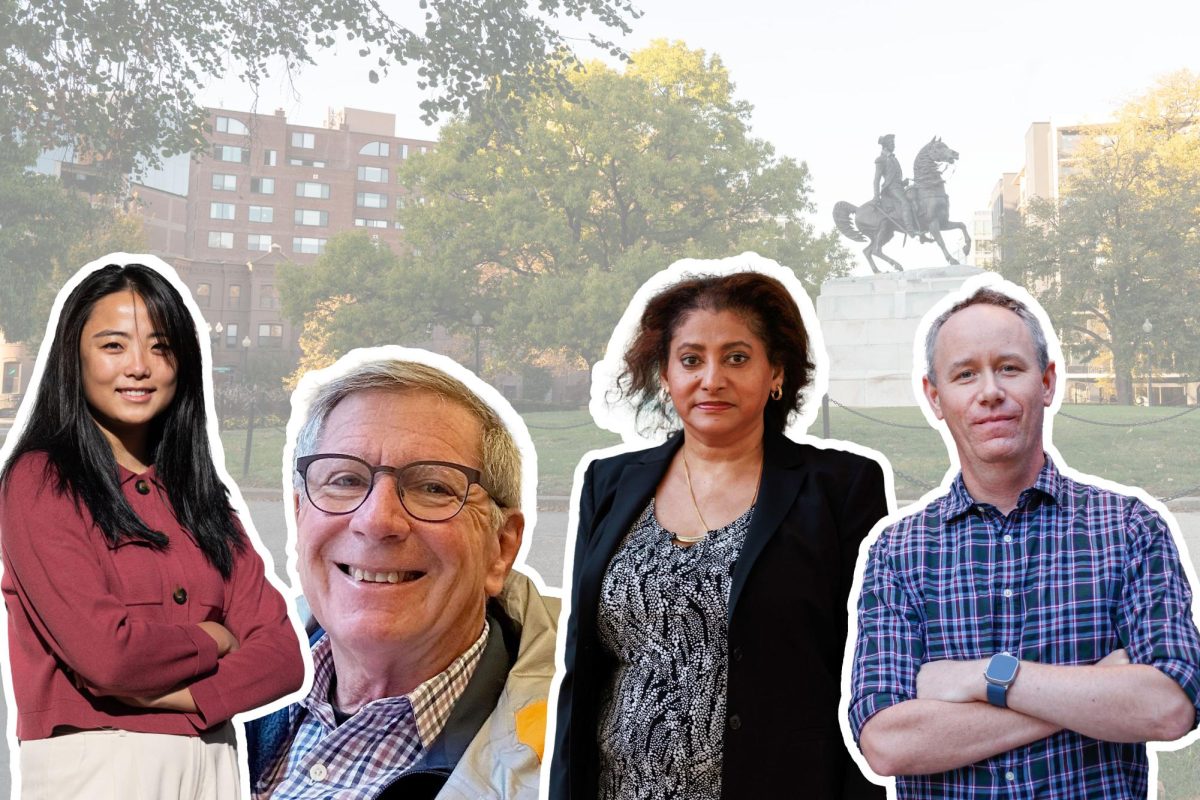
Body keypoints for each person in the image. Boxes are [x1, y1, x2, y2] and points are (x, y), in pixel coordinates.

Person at [848, 283, 1200, 797]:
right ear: (935, 398)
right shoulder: (899, 555)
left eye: (1009, 367)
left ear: (1048, 381)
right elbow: (887, 742)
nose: (989, 390)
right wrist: (1092, 691)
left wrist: (983, 679)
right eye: (965, 374)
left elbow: (1170, 705)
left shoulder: (1130, 529)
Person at [552, 270, 890, 799]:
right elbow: (584, 667)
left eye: (736, 358)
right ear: (665, 374)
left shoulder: (841, 488)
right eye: (691, 360)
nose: (711, 379)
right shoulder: (609, 484)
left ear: (776, 371)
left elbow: (865, 667)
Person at [0, 262, 304, 800]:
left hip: (215, 762)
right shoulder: (40, 482)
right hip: (97, 763)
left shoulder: (201, 498)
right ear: (74, 357)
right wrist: (215, 638)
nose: (139, 367)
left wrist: (170, 696)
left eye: (160, 347)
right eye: (113, 346)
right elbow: (107, 657)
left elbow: (283, 657)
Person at [246, 353, 559, 799]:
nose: (376, 521)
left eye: (434, 487)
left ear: (501, 548)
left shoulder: (596, 757)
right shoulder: (200, 681)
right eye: (345, 480)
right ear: (300, 516)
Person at [873, 133, 920, 237]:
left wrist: (903, 183)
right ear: (885, 145)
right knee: (905, 203)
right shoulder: (880, 160)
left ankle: (919, 226)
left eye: (893, 143)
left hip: (898, 186)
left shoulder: (893, 158)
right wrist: (876, 195)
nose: (894, 145)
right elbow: (876, 179)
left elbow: (894, 176)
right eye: (891, 143)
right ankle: (910, 230)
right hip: (890, 188)